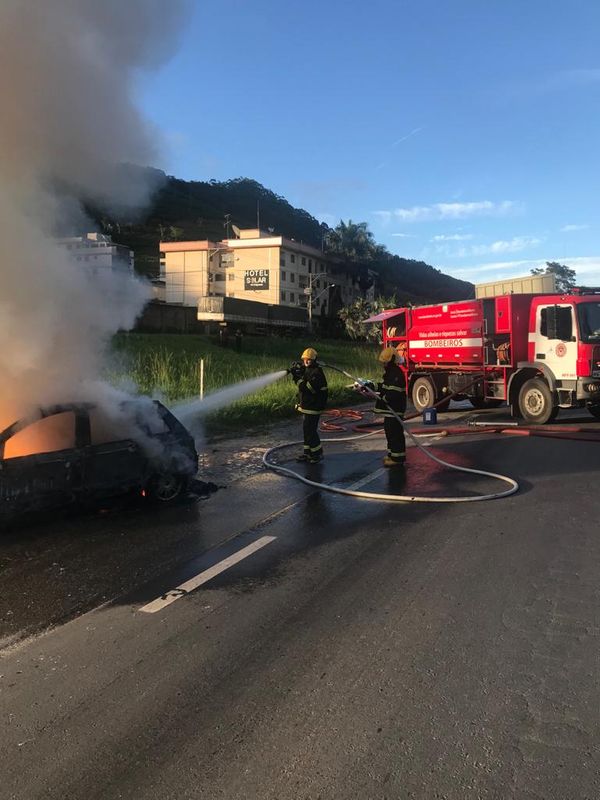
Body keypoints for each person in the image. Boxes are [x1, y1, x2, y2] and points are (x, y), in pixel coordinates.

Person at [290, 347, 328, 463]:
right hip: (308, 407)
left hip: (314, 407)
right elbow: (304, 376)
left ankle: (317, 454)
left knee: (311, 431)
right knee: (307, 430)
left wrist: (298, 379)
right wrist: (297, 372)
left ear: (314, 360)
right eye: (304, 359)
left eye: (309, 360)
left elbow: (308, 388)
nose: (306, 362)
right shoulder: (309, 370)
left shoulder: (317, 373)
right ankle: (308, 453)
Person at [375, 345, 407, 467]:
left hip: (395, 410)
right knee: (390, 433)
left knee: (395, 434)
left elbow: (393, 392)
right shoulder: (391, 373)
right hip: (390, 411)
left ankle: (397, 459)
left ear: (391, 360)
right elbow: (386, 387)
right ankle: (392, 455)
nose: (383, 365)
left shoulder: (395, 373)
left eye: (385, 362)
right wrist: (373, 387)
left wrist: (383, 399)